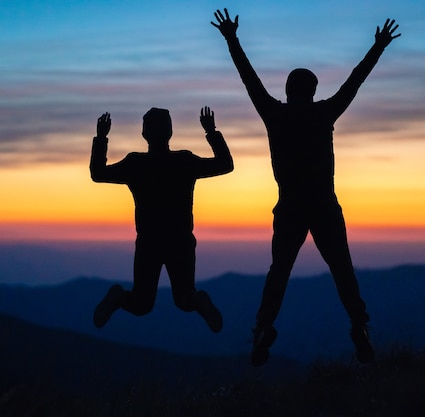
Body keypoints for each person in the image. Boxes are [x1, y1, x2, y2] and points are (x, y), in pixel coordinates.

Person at [211, 8, 400, 365]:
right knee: (342, 268)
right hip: (325, 206)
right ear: (313, 91)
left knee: (278, 272)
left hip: (290, 208)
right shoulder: (324, 112)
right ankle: (359, 325)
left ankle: (263, 329)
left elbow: (248, 79)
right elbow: (354, 82)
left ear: (287, 90)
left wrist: (232, 39)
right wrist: (378, 46)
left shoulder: (275, 114)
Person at [90, 106, 233, 334]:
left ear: (144, 134)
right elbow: (225, 165)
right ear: (170, 132)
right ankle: (197, 300)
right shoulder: (184, 161)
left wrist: (101, 137)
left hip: (149, 242)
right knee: (184, 299)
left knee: (141, 304)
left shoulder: (135, 164)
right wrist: (211, 131)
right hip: (181, 240)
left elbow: (98, 173)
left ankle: (117, 297)